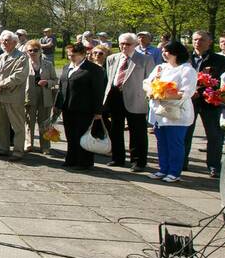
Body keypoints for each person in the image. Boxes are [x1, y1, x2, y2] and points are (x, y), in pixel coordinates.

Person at [144, 40, 197, 182]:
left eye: (167, 51)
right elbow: (147, 82)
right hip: (159, 112)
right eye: (163, 51)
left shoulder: (187, 69)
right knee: (162, 143)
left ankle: (174, 171)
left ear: (176, 53)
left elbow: (186, 92)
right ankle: (163, 169)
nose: (164, 54)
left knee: (175, 143)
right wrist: (151, 91)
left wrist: (163, 94)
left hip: (176, 113)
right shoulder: (161, 68)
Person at [102, 33, 154, 172]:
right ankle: (117, 158)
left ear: (136, 44)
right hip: (115, 96)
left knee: (137, 131)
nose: (124, 46)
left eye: (128, 44)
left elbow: (150, 81)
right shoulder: (112, 58)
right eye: (121, 44)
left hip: (135, 98)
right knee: (115, 129)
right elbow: (109, 77)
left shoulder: (145, 59)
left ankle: (138, 161)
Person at [54, 42, 108, 170]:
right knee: (70, 134)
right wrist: (57, 104)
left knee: (82, 135)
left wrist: (98, 111)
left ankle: (84, 161)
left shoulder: (94, 69)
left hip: (84, 108)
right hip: (68, 107)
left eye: (74, 55)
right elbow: (61, 86)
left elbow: (98, 91)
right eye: (69, 55)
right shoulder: (67, 67)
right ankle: (71, 159)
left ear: (83, 54)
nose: (71, 58)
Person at [185, 30, 225, 178]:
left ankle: (213, 166)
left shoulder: (220, 60)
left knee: (214, 136)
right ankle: (182, 163)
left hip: (211, 103)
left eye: (201, 40)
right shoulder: (185, 58)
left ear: (210, 42)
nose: (197, 42)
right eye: (195, 39)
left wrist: (210, 90)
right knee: (186, 134)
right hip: (189, 101)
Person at [0, 30, 29, 160]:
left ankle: (18, 151)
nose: (4, 42)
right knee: (0, 124)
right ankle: (2, 148)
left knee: (17, 125)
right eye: (3, 40)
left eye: (7, 40)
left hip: (14, 96)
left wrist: (1, 84)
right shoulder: (1, 57)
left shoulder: (22, 57)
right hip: (0, 96)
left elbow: (19, 76)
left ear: (15, 42)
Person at [23, 39, 58, 154]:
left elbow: (55, 80)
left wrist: (47, 82)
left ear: (40, 51)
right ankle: (28, 143)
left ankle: (45, 146)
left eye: (35, 50)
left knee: (45, 122)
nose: (32, 52)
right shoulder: (23, 64)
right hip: (29, 95)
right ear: (27, 52)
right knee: (29, 121)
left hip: (45, 94)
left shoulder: (48, 64)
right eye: (30, 50)